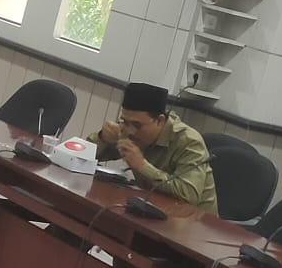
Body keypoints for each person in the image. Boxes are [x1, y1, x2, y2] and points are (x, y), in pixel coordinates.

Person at [88, 82, 217, 213]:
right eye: (125, 122)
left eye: (137, 125)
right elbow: (84, 154)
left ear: (160, 120)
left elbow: (188, 195)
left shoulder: (189, 141)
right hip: (150, 208)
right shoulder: (128, 128)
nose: (131, 131)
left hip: (193, 220)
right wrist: (102, 138)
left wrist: (142, 166)